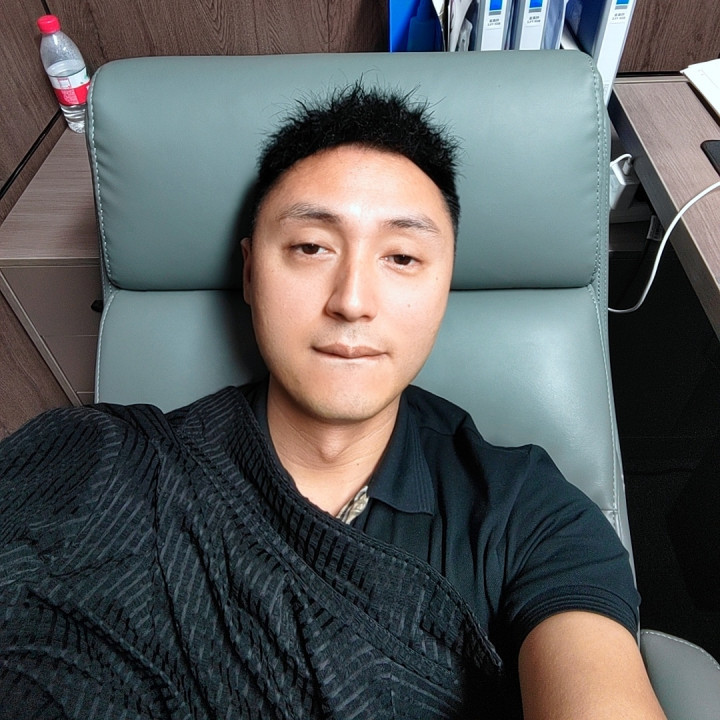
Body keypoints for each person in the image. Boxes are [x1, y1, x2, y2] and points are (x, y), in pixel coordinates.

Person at [0, 85, 665, 719]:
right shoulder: (101, 462)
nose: (352, 300)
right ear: (250, 272)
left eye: (402, 258)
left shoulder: (528, 516)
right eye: (311, 247)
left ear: (445, 287)